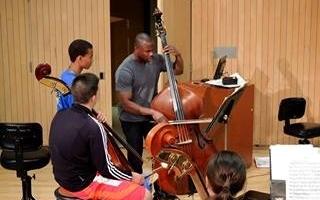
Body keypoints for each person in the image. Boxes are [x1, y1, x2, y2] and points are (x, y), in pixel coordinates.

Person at [50, 73, 151, 200]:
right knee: (145, 193)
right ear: (93, 97)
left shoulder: (59, 116)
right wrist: (131, 176)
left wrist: (95, 120)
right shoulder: (92, 126)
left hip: (62, 178)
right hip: (82, 185)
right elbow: (107, 169)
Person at [115, 33, 183, 199]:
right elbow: (126, 104)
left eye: (152, 50)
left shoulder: (155, 59)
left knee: (161, 153)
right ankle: (136, 193)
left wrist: (178, 55)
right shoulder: (125, 70)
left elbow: (178, 70)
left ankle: (162, 190)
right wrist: (153, 112)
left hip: (149, 116)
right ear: (136, 49)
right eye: (146, 51)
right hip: (130, 119)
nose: (151, 54)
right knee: (135, 158)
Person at [57, 39, 93, 111]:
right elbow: (78, 111)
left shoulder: (63, 75)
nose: (92, 60)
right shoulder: (74, 82)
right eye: (90, 57)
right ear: (80, 58)